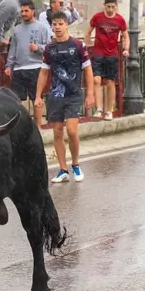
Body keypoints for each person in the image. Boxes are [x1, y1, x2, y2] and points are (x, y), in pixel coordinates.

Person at [34, 11, 95, 183]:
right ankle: (62, 169)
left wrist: (90, 93)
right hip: (55, 96)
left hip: (74, 95)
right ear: (51, 26)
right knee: (58, 132)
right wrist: (38, 96)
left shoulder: (77, 45)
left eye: (60, 24)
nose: (57, 27)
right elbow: (44, 73)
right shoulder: (49, 49)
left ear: (66, 25)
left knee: (72, 130)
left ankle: (75, 164)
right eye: (54, 24)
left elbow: (88, 70)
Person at [4, 0, 52, 128]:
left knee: (36, 99)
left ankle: (38, 128)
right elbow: (13, 48)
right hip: (19, 68)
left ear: (32, 11)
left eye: (26, 11)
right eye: (22, 11)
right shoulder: (16, 30)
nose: (23, 14)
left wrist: (38, 48)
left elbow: (49, 47)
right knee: (17, 100)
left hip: (35, 67)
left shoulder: (42, 28)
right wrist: (9, 65)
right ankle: (20, 128)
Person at [84, 0, 129, 121]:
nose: (110, 9)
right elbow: (88, 32)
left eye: (112, 7)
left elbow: (126, 35)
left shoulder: (120, 20)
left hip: (112, 55)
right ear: (104, 5)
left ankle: (109, 110)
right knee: (96, 80)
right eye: (108, 6)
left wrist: (126, 49)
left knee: (110, 83)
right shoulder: (97, 17)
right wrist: (87, 46)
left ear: (116, 7)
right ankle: (99, 109)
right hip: (98, 53)